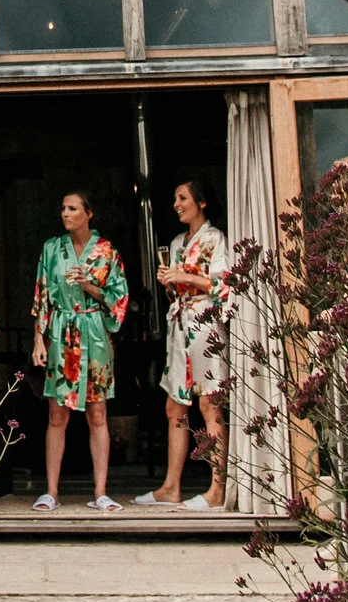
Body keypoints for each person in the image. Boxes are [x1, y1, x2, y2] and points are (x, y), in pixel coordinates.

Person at [30, 189, 130, 511]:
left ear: (89, 213)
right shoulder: (51, 249)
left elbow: (119, 299)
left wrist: (89, 285)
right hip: (60, 333)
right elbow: (41, 297)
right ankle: (51, 492)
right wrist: (38, 340)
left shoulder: (106, 252)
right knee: (56, 414)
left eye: (72, 208)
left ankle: (100, 492)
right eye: (62, 208)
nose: (65, 213)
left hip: (94, 334)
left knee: (97, 414)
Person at [138, 178, 232, 510]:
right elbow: (176, 286)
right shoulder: (178, 242)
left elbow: (225, 285)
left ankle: (217, 489)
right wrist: (169, 283)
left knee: (209, 405)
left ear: (201, 202)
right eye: (175, 198)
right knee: (174, 406)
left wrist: (186, 278)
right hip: (180, 326)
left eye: (183, 198)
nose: (176, 204)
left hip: (206, 325)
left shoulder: (215, 238)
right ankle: (170, 487)